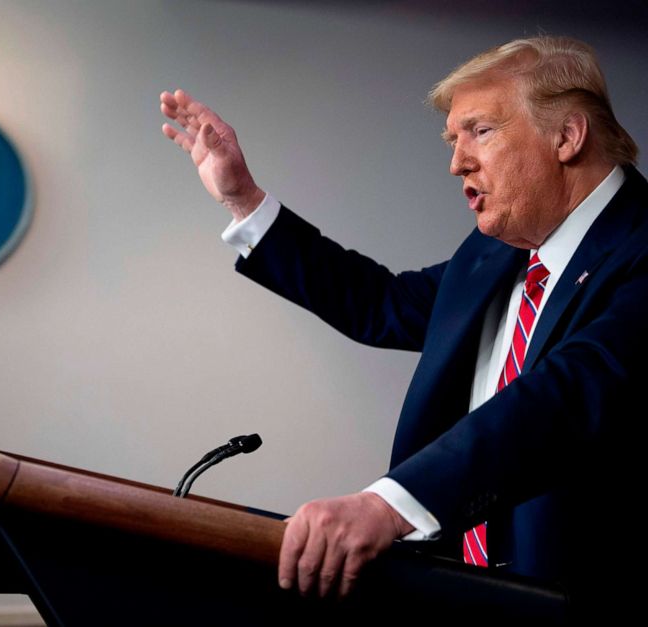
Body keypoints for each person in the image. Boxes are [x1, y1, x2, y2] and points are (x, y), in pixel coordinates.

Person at [160, 36, 644, 610]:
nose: (456, 162)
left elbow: (569, 395)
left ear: (566, 135)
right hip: (461, 594)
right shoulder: (495, 254)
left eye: (480, 131)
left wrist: (387, 506)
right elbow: (383, 304)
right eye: (452, 140)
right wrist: (244, 200)